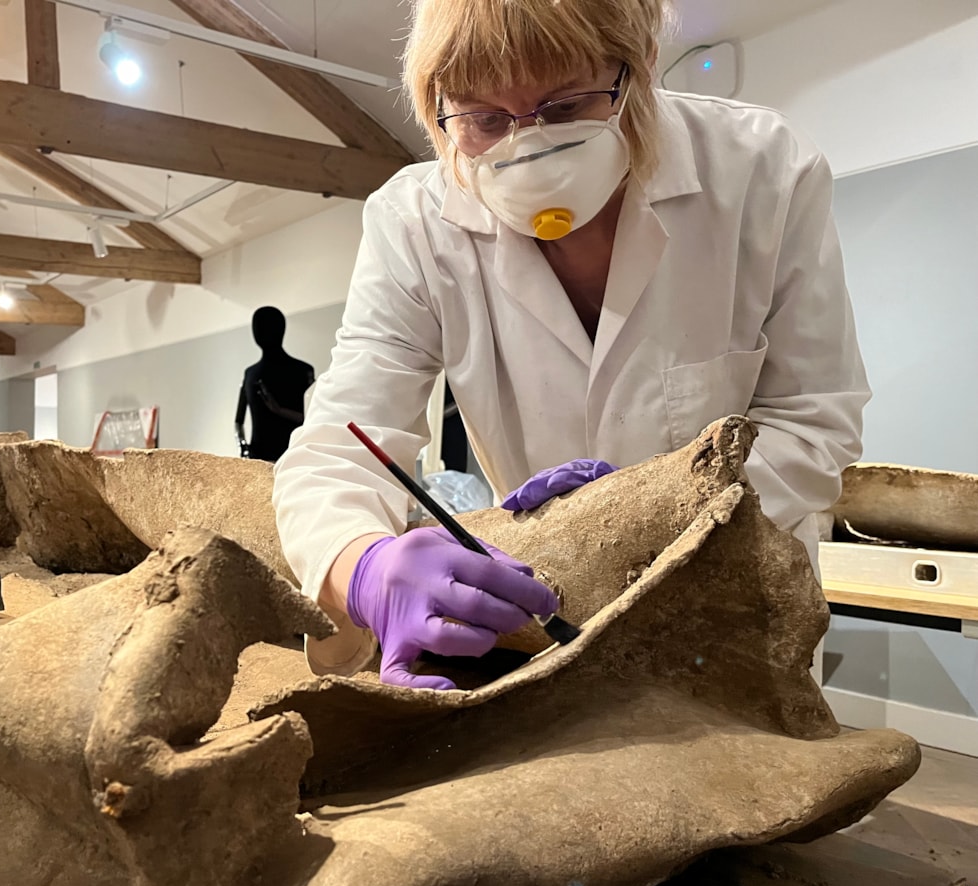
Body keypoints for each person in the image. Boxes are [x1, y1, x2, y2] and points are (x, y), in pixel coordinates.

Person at [273, 0, 869, 690]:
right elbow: (340, 448)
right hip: (540, 616)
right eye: (484, 118)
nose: (526, 144)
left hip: (734, 616)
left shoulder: (763, 171)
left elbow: (814, 421)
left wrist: (635, 519)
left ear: (640, 65)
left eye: (564, 106)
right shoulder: (413, 223)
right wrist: (365, 566)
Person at [235, 306, 316, 462]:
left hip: (293, 456)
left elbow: (311, 417)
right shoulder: (249, 374)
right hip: (258, 458)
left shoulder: (303, 371)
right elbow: (238, 421)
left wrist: (279, 410)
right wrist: (243, 446)